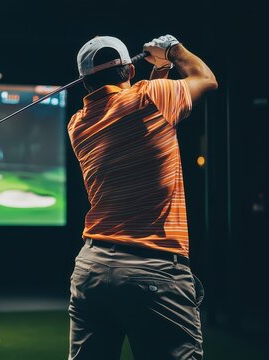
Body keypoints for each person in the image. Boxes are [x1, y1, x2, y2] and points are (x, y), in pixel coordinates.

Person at [67, 34, 218, 360]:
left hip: (92, 269)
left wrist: (160, 72)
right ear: (129, 72)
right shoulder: (152, 98)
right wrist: (173, 50)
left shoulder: (78, 124)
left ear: (84, 84)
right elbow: (206, 79)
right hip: (153, 268)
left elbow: (145, 114)